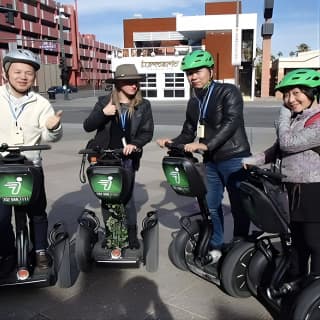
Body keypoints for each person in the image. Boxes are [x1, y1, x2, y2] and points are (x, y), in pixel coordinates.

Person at [156, 49, 251, 263]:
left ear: (210, 70)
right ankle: (217, 245)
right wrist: (172, 142)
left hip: (234, 157)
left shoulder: (228, 91)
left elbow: (231, 122)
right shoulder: (194, 101)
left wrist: (206, 144)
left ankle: (240, 245)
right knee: (211, 205)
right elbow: (188, 132)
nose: (193, 77)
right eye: (189, 73)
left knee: (238, 206)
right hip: (211, 162)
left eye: (197, 71)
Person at [243, 68, 320, 279]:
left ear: (312, 93)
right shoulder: (296, 119)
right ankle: (296, 283)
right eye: (287, 94)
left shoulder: (318, 120)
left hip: (313, 191)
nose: (290, 99)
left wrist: (283, 115)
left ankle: (314, 291)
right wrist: (253, 161)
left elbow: (289, 143)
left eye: (297, 93)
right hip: (290, 190)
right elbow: (277, 149)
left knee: (314, 242)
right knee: (295, 243)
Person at [0, 49, 63, 273]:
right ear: (6, 72)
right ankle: (7, 251)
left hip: (31, 165)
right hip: (2, 167)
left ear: (34, 77)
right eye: (17, 71)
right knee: (1, 216)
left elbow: (49, 137)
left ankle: (40, 250)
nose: (23, 76)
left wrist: (53, 128)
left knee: (37, 212)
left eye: (28, 72)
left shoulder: (40, 103)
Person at [83, 64, 154, 249]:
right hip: (105, 157)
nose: (134, 86)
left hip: (127, 158)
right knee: (107, 198)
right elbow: (88, 126)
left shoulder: (143, 105)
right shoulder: (104, 102)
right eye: (130, 82)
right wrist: (103, 114)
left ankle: (131, 235)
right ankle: (111, 235)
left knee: (127, 198)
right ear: (119, 83)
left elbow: (147, 133)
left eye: (136, 82)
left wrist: (135, 144)